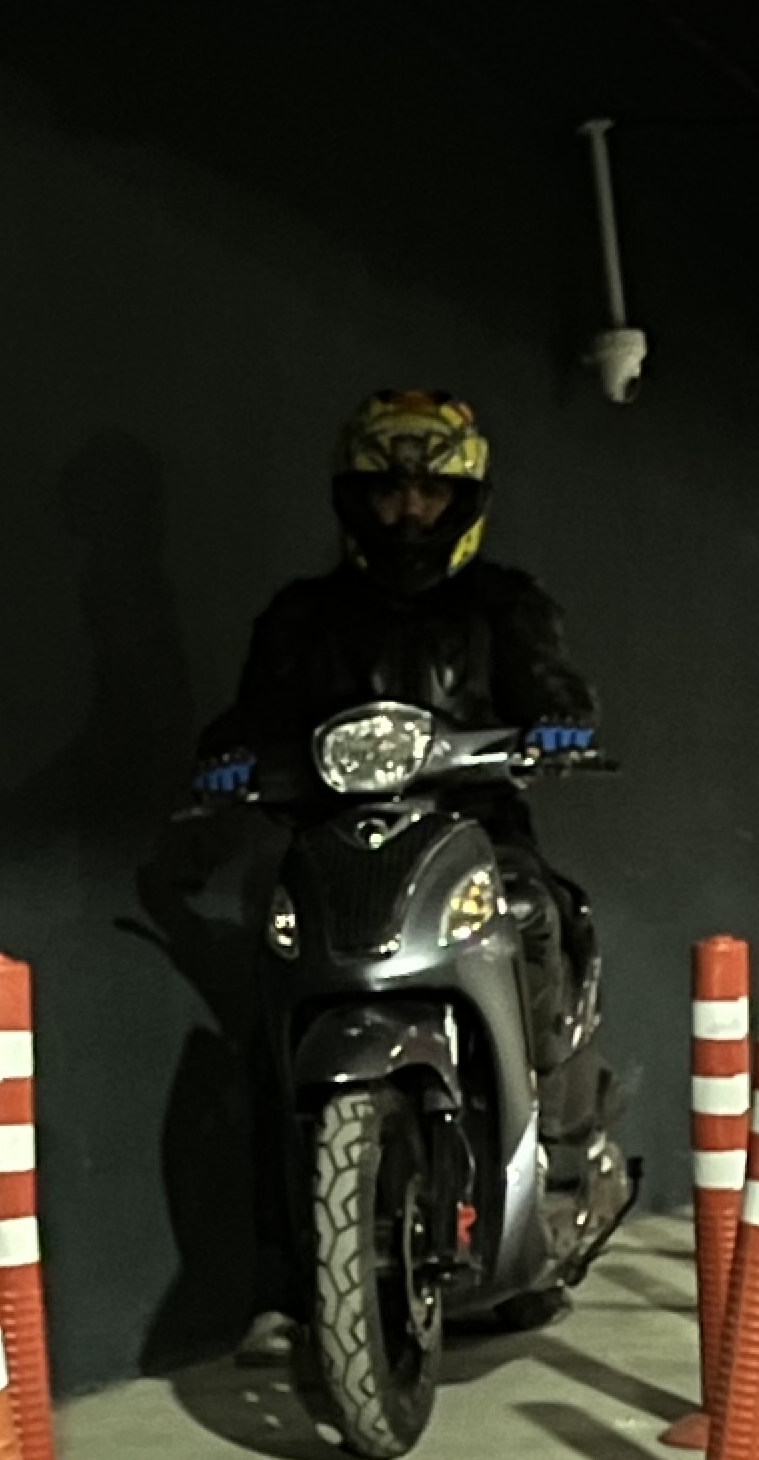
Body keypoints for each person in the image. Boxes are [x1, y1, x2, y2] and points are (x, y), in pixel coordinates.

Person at [191, 391, 604, 1118]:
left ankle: (557, 1123)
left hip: (477, 833)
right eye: (388, 491)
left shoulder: (504, 603)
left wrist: (560, 720)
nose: (410, 511)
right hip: (339, 848)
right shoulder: (302, 616)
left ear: (464, 501)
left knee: (534, 913)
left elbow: (548, 680)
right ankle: (283, 1138)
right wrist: (230, 753)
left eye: (431, 491)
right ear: (355, 500)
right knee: (274, 952)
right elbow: (256, 712)